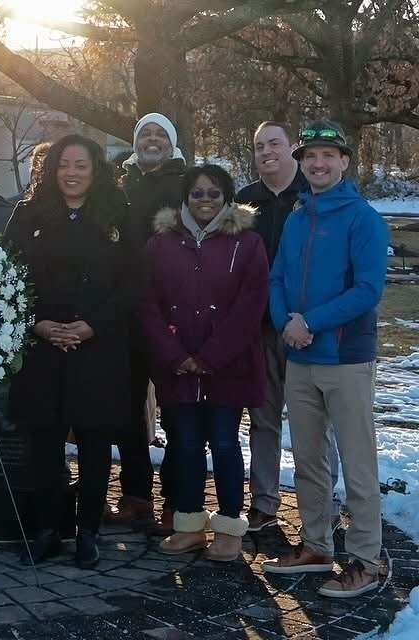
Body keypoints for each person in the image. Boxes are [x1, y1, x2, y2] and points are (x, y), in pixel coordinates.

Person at [262, 120, 388, 598]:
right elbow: (276, 279)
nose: (317, 163)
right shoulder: (297, 218)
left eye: (328, 156)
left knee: (358, 463)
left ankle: (365, 559)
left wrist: (309, 322)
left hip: (346, 358)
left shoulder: (363, 218)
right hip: (300, 355)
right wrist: (284, 324)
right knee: (309, 459)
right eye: (309, 156)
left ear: (344, 162)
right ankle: (316, 546)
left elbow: (368, 289)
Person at [4, 134, 136, 569]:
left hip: (99, 349)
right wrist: (37, 322)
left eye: (81, 164)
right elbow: (5, 277)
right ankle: (46, 528)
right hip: (43, 348)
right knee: (44, 442)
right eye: (64, 164)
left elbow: (134, 283)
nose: (72, 172)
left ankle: (88, 532)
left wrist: (93, 325)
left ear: (95, 169)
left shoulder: (118, 213)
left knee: (96, 444)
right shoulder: (27, 215)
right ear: (51, 168)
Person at [137, 164, 268, 562]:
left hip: (226, 367)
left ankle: (229, 527)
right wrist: (174, 355)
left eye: (214, 193)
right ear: (185, 198)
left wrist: (211, 357)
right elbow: (146, 303)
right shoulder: (160, 244)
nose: (206, 200)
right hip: (177, 368)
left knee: (226, 444)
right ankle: (190, 524)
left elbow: (251, 305)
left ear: (227, 197)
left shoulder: (248, 243)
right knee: (187, 446)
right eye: (197, 193)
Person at [236, 122, 345, 533]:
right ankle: (264, 502)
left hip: (310, 329)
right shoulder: (245, 201)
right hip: (260, 326)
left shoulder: (315, 191)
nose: (267, 151)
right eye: (259, 145)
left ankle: (322, 506)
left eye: (275, 144)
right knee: (263, 419)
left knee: (315, 423)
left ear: (292, 149)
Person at [109, 112, 187, 533]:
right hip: (126, 314)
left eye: (160, 133)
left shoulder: (185, 185)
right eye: (145, 134)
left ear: (170, 143)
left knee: (175, 411)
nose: (152, 140)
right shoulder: (120, 186)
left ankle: (177, 502)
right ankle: (136, 495)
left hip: (173, 312)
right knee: (127, 410)